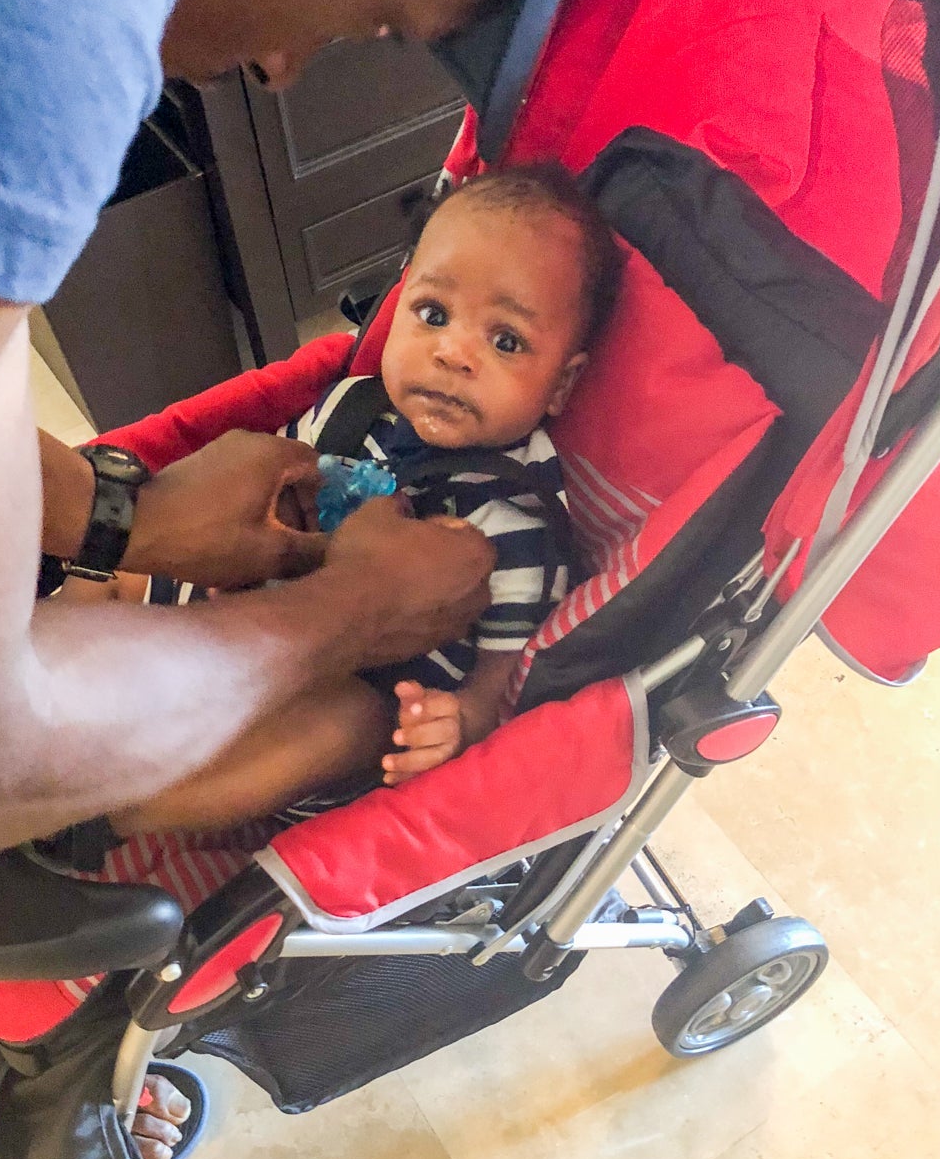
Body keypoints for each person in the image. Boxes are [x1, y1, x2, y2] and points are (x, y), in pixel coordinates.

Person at [0, 0, 543, 1159]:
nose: (288, 64)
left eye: (507, 339)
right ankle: (87, 825)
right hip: (262, 640)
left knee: (340, 716)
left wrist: (132, 516)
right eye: (378, 19)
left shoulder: (528, 503)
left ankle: (100, 806)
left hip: (364, 677)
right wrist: (334, 612)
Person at [108, 164, 626, 836]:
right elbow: (269, 503)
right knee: (122, 558)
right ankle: (4, 685)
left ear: (562, 384)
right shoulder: (350, 408)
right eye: (433, 315)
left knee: (348, 721)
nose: (452, 353)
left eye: (505, 341)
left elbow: (504, 680)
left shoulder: (517, 524)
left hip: (342, 700)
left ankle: (105, 821)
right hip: (228, 624)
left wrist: (459, 720)